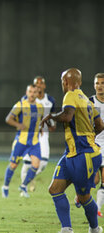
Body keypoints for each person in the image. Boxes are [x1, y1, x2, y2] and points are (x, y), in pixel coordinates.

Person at [41, 68, 104, 233]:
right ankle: (66, 229)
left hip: (83, 156)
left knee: (83, 197)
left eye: (63, 81)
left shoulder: (70, 94)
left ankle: (95, 228)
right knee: (55, 189)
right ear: (80, 82)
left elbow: (67, 116)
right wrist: (89, 136)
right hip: (72, 153)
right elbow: (100, 125)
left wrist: (51, 116)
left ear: (65, 82)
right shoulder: (88, 101)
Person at [2, 84, 44, 198]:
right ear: (27, 92)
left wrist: (40, 129)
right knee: (13, 165)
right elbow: (8, 119)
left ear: (37, 94)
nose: (32, 94)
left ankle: (23, 186)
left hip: (34, 142)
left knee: (36, 164)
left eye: (34, 92)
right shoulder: (20, 105)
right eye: (30, 91)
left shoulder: (40, 107)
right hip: (21, 141)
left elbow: (39, 121)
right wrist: (18, 125)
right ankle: (5, 187)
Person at [21, 76, 56, 192]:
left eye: (41, 84)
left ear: (44, 86)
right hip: (30, 135)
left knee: (43, 163)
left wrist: (52, 124)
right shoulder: (27, 99)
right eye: (36, 84)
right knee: (27, 163)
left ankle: (30, 179)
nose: (39, 86)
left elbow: (53, 119)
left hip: (43, 135)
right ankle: (23, 188)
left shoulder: (50, 100)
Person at [89, 73, 104, 217]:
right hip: (94, 145)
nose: (99, 86)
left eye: (102, 83)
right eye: (97, 83)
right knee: (94, 179)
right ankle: (80, 195)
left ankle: (97, 209)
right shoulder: (90, 102)